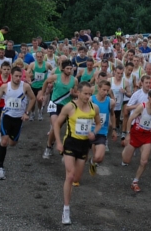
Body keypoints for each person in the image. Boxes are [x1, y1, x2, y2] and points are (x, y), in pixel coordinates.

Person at [53, 82, 101, 225]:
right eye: (85, 93)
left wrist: (94, 132)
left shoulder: (94, 108)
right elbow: (57, 124)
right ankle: (66, 210)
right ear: (78, 93)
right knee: (70, 175)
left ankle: (71, 165)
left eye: (90, 94)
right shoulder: (70, 107)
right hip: (70, 142)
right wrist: (59, 142)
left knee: (76, 178)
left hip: (84, 145)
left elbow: (98, 123)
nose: (88, 96)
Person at [0, 66, 36, 180]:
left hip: (18, 119)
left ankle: (7, 138)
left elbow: (33, 99)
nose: (18, 78)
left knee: (12, 143)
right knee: (4, 142)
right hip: (6, 116)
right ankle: (1, 168)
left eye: (20, 76)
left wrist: (26, 112)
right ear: (11, 75)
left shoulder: (25, 86)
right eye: (16, 76)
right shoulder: (4, 87)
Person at [121, 89, 151, 192]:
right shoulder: (142, 107)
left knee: (144, 161)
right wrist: (128, 134)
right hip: (135, 134)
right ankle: (128, 149)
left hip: (147, 136)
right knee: (126, 160)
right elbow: (130, 119)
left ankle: (135, 181)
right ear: (149, 97)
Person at [40, 60, 78, 159]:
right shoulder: (56, 77)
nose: (70, 70)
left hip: (67, 107)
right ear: (62, 69)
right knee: (54, 126)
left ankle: (56, 145)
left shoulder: (74, 80)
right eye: (68, 69)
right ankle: (49, 147)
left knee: (61, 128)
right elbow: (46, 82)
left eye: (71, 68)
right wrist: (42, 93)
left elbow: (76, 94)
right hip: (55, 104)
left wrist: (73, 93)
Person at [88, 80, 117, 176]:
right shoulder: (91, 100)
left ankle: (92, 161)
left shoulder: (110, 102)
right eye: (103, 90)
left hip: (102, 132)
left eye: (107, 90)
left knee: (99, 158)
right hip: (88, 131)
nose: (105, 92)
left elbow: (113, 115)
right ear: (98, 88)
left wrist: (114, 129)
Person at [26, 51, 53, 121]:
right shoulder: (32, 64)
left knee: (39, 99)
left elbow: (53, 71)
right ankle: (32, 113)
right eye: (38, 57)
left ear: (43, 57)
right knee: (32, 100)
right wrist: (29, 80)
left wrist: (51, 80)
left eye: (41, 57)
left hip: (42, 86)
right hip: (33, 85)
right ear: (36, 57)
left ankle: (40, 111)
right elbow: (26, 73)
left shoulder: (47, 65)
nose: (39, 58)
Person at [108, 65, 131, 136]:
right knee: (110, 120)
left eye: (121, 73)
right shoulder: (109, 80)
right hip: (110, 103)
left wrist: (125, 92)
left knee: (117, 117)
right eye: (118, 73)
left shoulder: (125, 82)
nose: (119, 75)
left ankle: (117, 127)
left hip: (119, 104)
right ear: (114, 72)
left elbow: (130, 94)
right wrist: (110, 94)